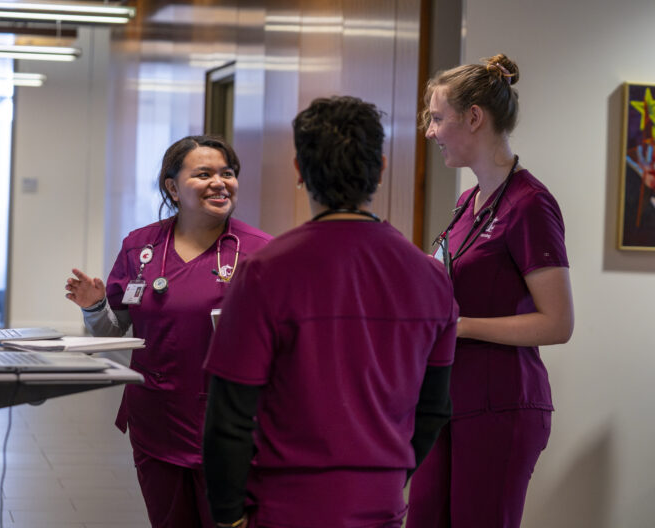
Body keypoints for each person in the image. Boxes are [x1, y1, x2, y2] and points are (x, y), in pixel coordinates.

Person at [201, 96, 458, 528]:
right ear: (380, 168)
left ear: (299, 171)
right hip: (382, 505)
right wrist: (388, 476)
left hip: (286, 507)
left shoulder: (265, 272)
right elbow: (434, 408)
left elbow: (228, 414)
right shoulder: (431, 278)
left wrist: (228, 515)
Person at [64, 135, 272, 528]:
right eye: (204, 174)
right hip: (156, 420)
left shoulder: (261, 251)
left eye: (227, 173)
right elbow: (115, 335)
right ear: (173, 187)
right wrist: (93, 307)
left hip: (232, 427)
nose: (219, 182)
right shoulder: (140, 247)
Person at [406, 54, 574, 528]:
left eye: (437, 118)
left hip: (501, 404)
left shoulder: (530, 205)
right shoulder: (467, 202)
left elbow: (558, 323)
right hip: (447, 401)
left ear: (474, 117)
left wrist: (458, 327)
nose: (430, 131)